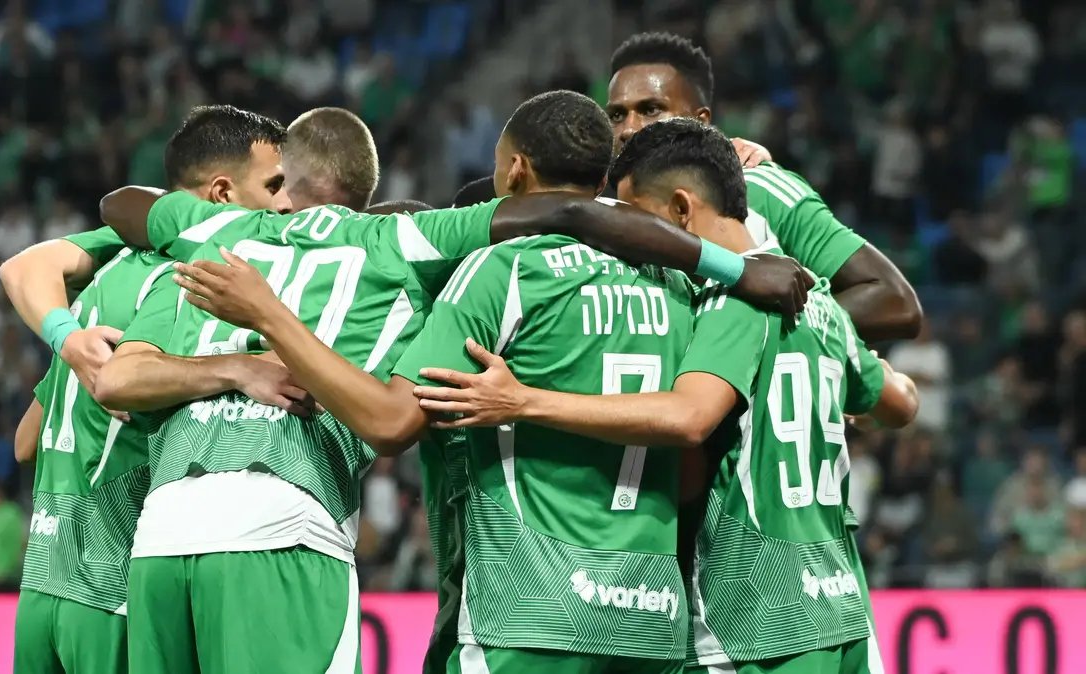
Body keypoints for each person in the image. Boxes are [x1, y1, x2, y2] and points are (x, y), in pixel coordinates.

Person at [137, 94, 813, 674]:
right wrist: (737, 266)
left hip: (521, 609)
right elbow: (694, 447)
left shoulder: (492, 269)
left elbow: (394, 419)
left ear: (514, 170)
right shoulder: (681, 288)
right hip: (651, 612)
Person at [412, 118, 920, 674]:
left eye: (636, 221)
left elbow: (689, 419)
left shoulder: (728, 304)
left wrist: (524, 401)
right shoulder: (821, 303)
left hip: (756, 619)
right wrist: (846, 398)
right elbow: (901, 402)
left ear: (680, 210)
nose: (631, 244)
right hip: (838, 603)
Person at [5, 105, 309, 674]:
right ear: (221, 194)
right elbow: (120, 383)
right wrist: (235, 370)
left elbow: (26, 442)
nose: (287, 203)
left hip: (42, 587)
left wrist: (68, 345)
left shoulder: (110, 269)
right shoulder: (185, 281)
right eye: (274, 186)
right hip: (112, 591)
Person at [605, 32, 922, 342]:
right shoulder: (596, 206)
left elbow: (896, 303)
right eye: (617, 115)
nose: (628, 129)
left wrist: (760, 330)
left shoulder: (758, 188)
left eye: (650, 110)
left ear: (700, 121)